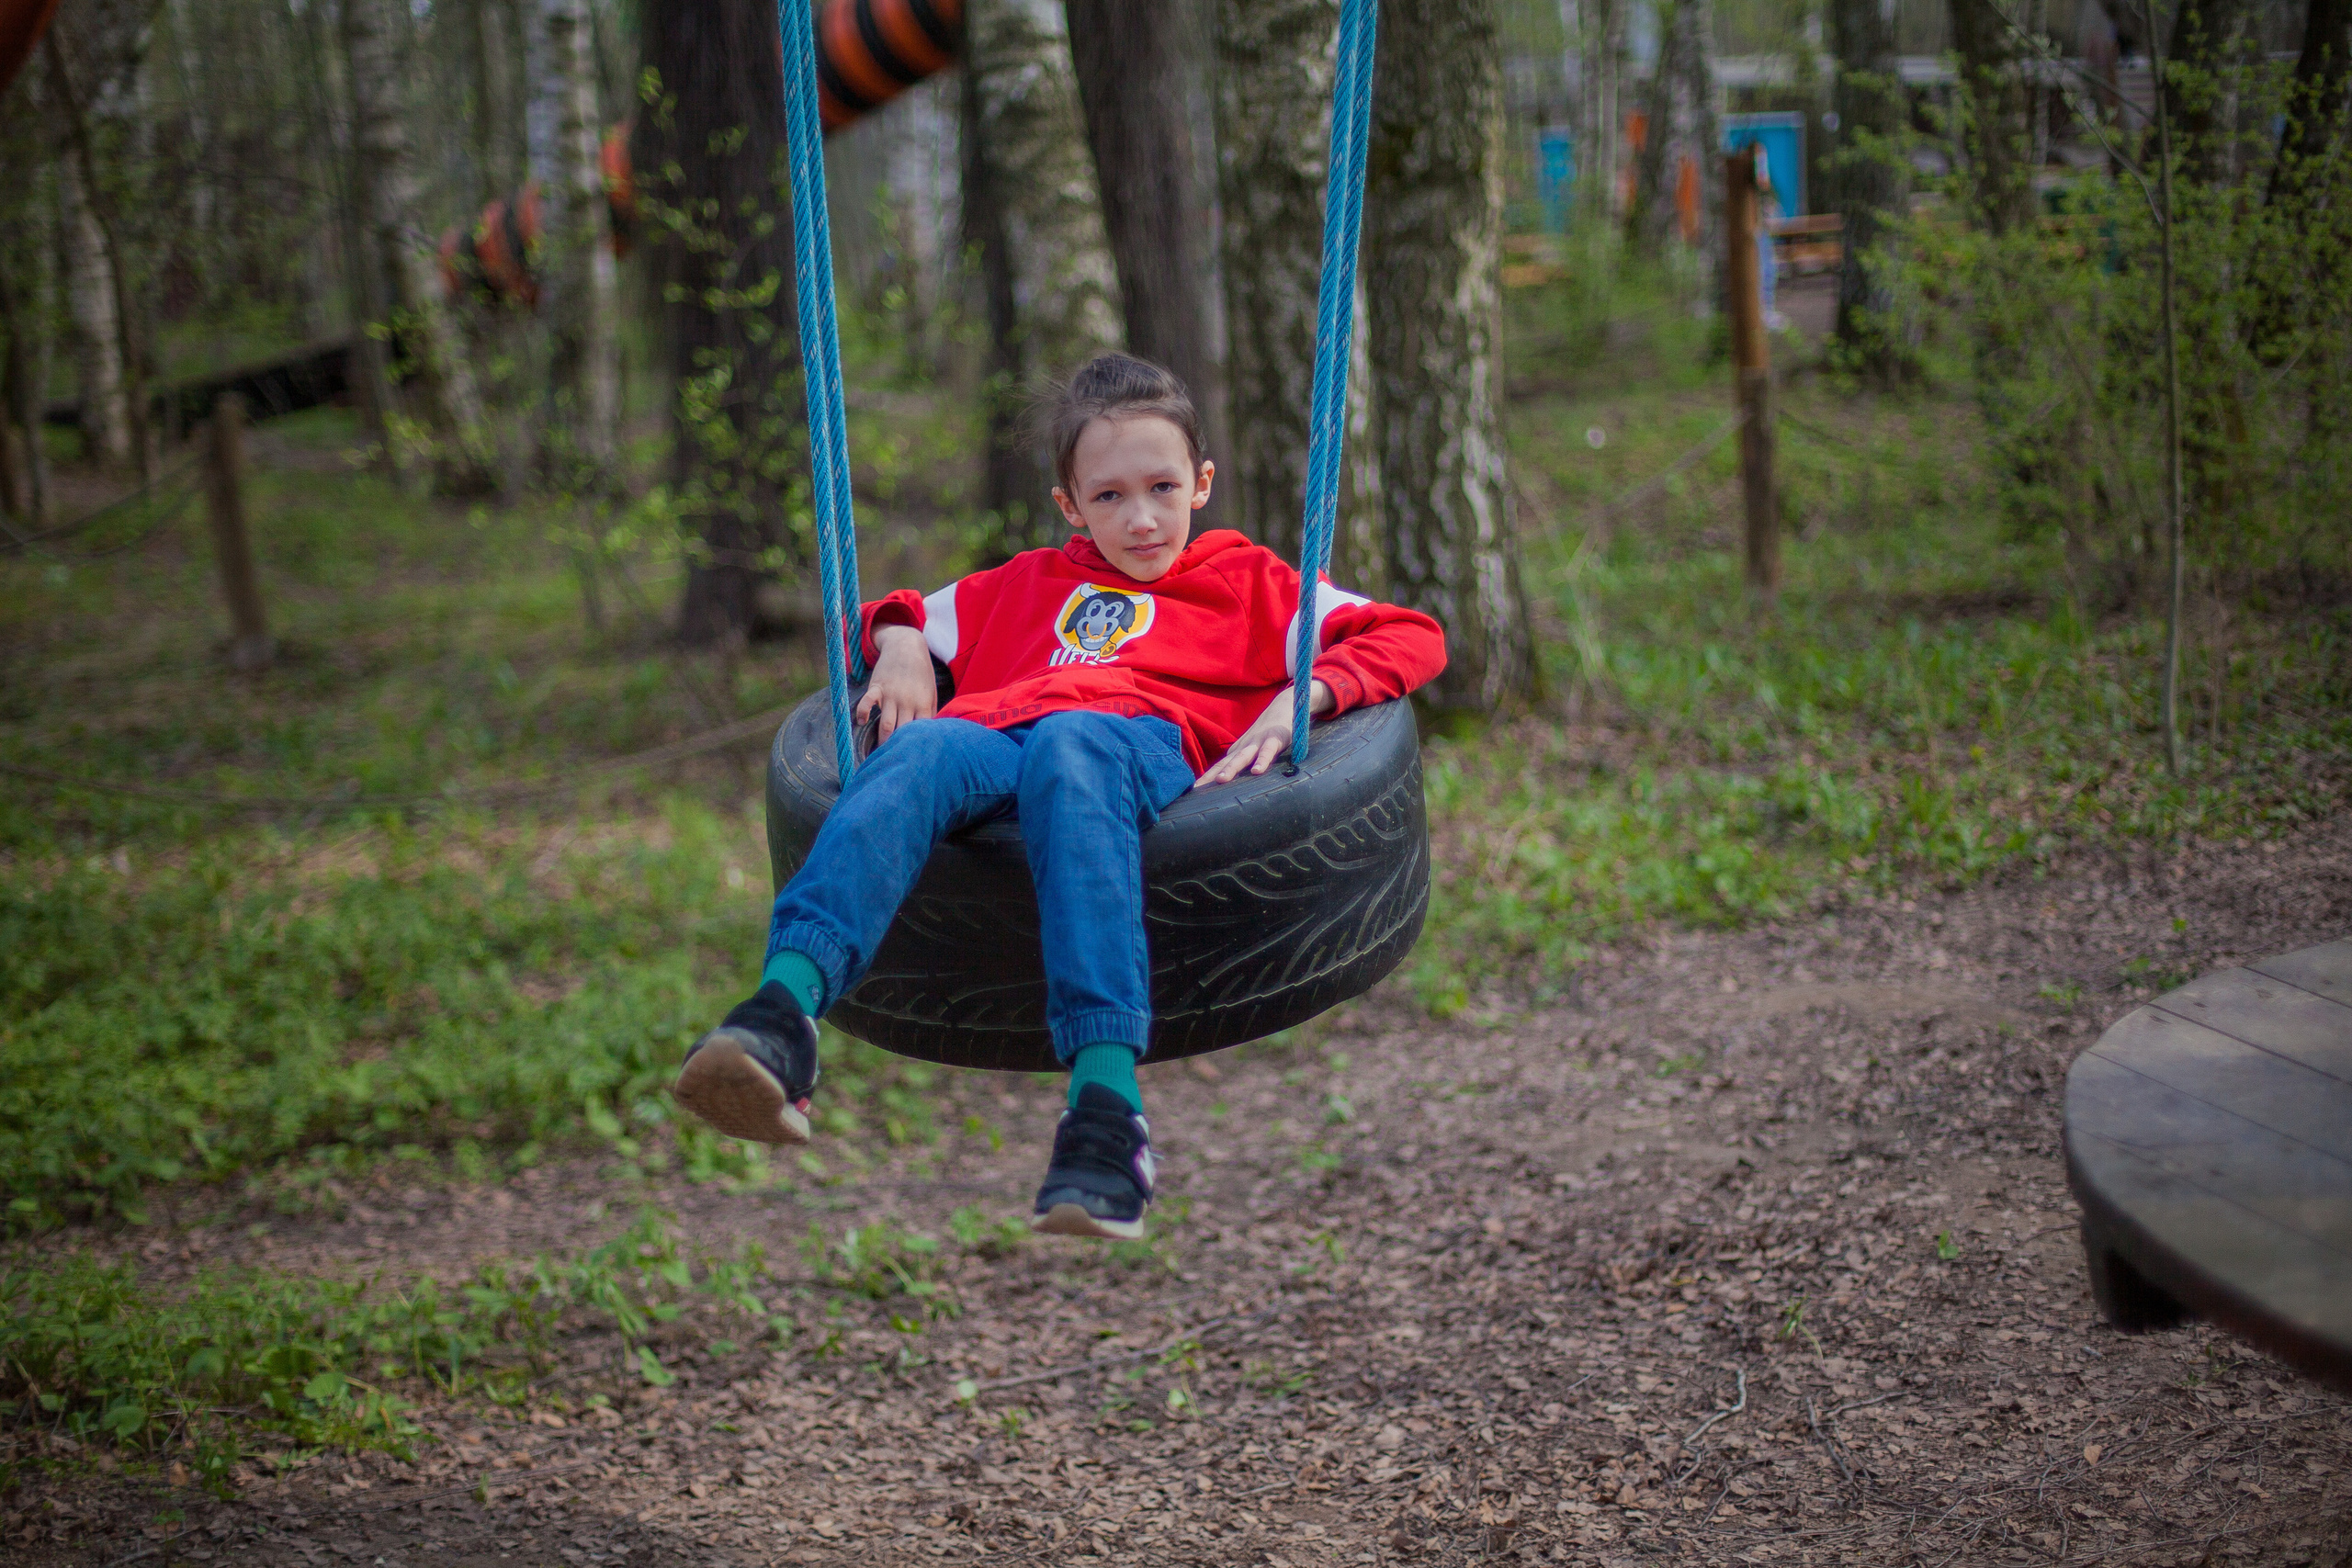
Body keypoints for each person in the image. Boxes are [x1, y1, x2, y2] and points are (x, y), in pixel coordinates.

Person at [673, 353, 1447, 1238]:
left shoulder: (1251, 582)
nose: (1142, 517)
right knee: (916, 752)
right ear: (1071, 505)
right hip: (997, 736)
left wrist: (1298, 694)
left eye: (1161, 487)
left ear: (1201, 483)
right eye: (1110, 497)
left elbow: (1408, 635)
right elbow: (898, 613)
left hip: (1129, 740)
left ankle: (1108, 1114)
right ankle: (782, 1013)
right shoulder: (1029, 583)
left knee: (1072, 751)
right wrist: (898, 648)